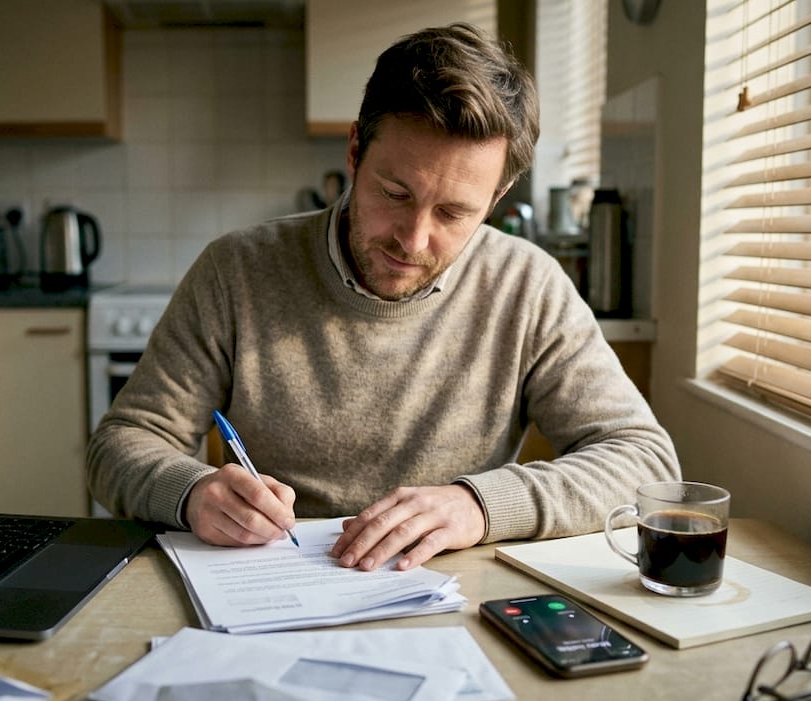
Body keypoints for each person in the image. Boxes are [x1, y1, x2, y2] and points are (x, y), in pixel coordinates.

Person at [87, 22, 679, 572]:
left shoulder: (527, 284)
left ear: (495, 199)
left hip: (455, 593)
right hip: (274, 582)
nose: (413, 239)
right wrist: (190, 492)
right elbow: (120, 445)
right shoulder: (235, 270)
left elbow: (645, 462)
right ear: (353, 153)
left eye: (453, 213)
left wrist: (478, 506)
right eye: (394, 193)